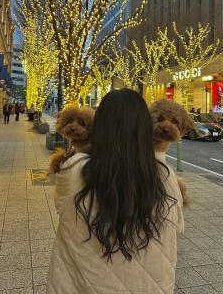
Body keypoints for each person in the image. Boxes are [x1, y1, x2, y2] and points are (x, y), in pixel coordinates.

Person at [47, 89, 184, 294]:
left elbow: (60, 204)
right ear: (145, 130)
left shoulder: (73, 171)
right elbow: (177, 227)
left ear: (99, 128)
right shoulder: (165, 178)